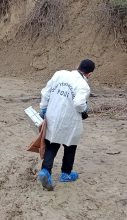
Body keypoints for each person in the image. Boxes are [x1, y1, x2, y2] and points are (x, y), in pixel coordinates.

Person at [38, 59, 95, 191]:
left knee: (52, 145)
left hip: (53, 116)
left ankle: (45, 171)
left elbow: (45, 92)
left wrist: (44, 108)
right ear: (89, 74)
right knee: (70, 146)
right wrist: (85, 109)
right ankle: (66, 173)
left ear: (77, 66)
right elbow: (79, 104)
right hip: (70, 120)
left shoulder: (59, 74)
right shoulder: (83, 85)